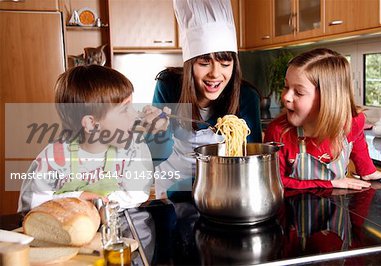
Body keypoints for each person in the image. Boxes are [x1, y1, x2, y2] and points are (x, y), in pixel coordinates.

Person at [148, 0, 262, 198]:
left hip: (225, 189)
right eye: (204, 63)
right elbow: (156, 154)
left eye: (225, 64)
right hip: (172, 187)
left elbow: (251, 162)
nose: (215, 74)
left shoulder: (246, 97)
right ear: (190, 64)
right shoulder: (168, 86)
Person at [18, 65, 169, 211]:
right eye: (124, 110)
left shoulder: (132, 148)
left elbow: (138, 193)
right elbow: (30, 203)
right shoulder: (53, 158)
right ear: (91, 124)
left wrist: (101, 204)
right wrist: (77, 198)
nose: (135, 114)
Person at [264, 48, 381, 190]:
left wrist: (368, 171)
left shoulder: (353, 122)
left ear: (328, 99)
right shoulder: (279, 132)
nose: (286, 97)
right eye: (286, 86)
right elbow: (275, 182)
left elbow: (357, 139)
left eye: (299, 92)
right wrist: (329, 184)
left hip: (336, 208)